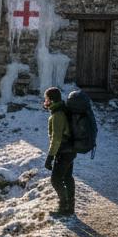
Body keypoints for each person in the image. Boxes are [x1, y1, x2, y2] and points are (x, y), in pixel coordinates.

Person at [43, 87, 75, 218]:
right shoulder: (62, 110)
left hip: (63, 151)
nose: (45, 101)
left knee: (55, 180)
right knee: (67, 177)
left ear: (51, 100)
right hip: (70, 150)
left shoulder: (57, 115)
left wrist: (50, 157)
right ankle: (70, 207)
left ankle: (64, 207)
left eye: (46, 99)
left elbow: (56, 139)